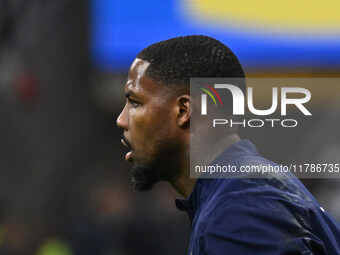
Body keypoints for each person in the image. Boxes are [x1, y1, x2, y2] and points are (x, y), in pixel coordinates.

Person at [116, 35, 340, 254]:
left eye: (135, 103)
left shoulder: (238, 212)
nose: (121, 120)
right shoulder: (244, 191)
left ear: (183, 111)